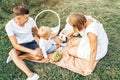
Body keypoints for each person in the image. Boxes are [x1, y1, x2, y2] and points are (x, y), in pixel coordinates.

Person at [5, 6, 43, 80]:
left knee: (40, 57)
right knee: (13, 53)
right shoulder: (9, 26)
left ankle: (18, 57)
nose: (28, 19)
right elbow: (15, 45)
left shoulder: (30, 20)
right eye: (25, 17)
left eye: (28, 17)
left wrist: (44, 38)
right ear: (18, 18)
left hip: (31, 42)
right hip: (20, 45)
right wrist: (32, 51)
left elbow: (36, 31)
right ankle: (31, 75)